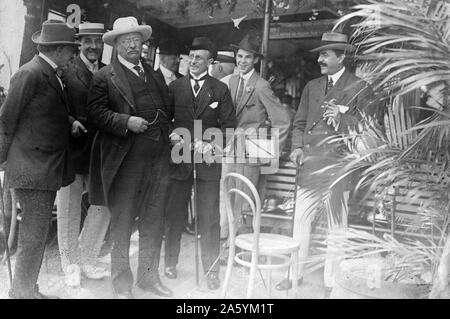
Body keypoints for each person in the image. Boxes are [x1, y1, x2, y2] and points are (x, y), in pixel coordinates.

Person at [283, 32, 379, 290]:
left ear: (342, 56)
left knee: (336, 229)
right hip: (310, 165)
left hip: (337, 168)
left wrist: (342, 118)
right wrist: (296, 148)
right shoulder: (312, 86)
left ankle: (332, 283)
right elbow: (300, 123)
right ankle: (294, 276)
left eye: (325, 55)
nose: (319, 60)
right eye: (320, 55)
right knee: (300, 222)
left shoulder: (360, 87)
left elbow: (368, 131)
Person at [87, 16, 173, 299]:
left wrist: (171, 133)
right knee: (122, 226)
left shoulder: (154, 73)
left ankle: (149, 279)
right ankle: (122, 285)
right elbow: (96, 114)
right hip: (125, 164)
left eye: (137, 40)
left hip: (158, 162)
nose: (134, 45)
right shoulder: (103, 77)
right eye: (127, 41)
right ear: (117, 45)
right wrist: (126, 122)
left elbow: (167, 110)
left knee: (153, 222)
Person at [0, 20, 79, 299]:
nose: (73, 55)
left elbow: (42, 111)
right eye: (71, 50)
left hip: (42, 169)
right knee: (33, 237)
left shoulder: (49, 72)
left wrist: (69, 121)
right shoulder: (30, 73)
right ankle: (22, 293)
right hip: (31, 171)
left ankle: (26, 289)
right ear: (58, 49)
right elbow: (7, 121)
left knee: (36, 234)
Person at [163, 37, 235, 290]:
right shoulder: (175, 87)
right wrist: (171, 135)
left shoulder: (220, 90)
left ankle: (212, 270)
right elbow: (165, 119)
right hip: (179, 159)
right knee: (174, 213)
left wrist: (212, 144)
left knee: (209, 217)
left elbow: (229, 126)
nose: (193, 62)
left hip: (207, 160)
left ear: (210, 62)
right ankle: (170, 263)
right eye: (191, 57)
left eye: (199, 58)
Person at [219, 34, 291, 239]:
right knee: (226, 197)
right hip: (228, 149)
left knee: (245, 202)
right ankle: (226, 242)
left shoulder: (261, 86)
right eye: (239, 56)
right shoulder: (229, 82)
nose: (242, 61)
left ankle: (243, 246)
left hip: (251, 152)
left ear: (256, 60)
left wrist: (271, 153)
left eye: (247, 57)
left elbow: (282, 121)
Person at [57, 22, 111, 287]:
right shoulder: (67, 70)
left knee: (103, 204)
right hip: (74, 147)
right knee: (68, 209)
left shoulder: (108, 72)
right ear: (79, 44)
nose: (93, 47)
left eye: (98, 41)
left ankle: (88, 256)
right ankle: (70, 264)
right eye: (88, 41)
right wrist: (70, 122)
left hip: (100, 149)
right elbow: (54, 105)